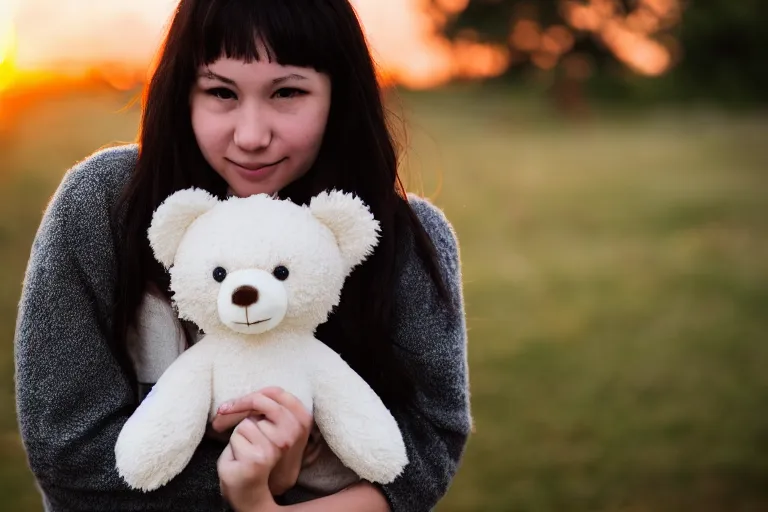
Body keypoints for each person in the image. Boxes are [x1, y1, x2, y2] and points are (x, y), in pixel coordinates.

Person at [13, 0, 471, 511]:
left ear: (339, 95)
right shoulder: (104, 206)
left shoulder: (402, 237)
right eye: (221, 92)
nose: (251, 137)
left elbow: (427, 449)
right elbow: (69, 453)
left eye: (287, 92)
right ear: (183, 92)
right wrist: (260, 479)